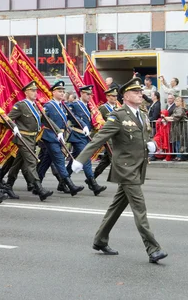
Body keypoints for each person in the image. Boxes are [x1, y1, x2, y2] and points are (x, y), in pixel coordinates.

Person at [71, 77, 167, 264]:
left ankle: (100, 240)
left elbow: (146, 136)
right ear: (126, 96)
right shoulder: (118, 116)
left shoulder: (143, 114)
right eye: (136, 92)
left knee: (116, 207)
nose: (141, 94)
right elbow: (99, 138)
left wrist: (152, 144)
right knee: (140, 209)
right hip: (126, 169)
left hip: (138, 167)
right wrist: (81, 160)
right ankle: (153, 249)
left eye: (141, 91)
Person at [5, 81, 54, 201]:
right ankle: (39, 189)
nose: (35, 93)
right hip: (23, 138)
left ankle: (8, 186)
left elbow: (45, 120)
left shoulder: (36, 106)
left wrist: (58, 131)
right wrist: (14, 127)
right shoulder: (20, 105)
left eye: (35, 91)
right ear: (26, 92)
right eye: (32, 91)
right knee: (32, 162)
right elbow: (8, 119)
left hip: (32, 139)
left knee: (18, 164)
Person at [36, 80, 84, 196]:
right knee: (60, 160)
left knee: (46, 162)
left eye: (63, 91)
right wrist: (57, 131)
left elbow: (63, 121)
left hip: (59, 137)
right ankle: (70, 185)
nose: (62, 93)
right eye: (59, 91)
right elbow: (44, 119)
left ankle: (36, 184)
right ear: (53, 92)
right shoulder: (49, 105)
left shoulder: (62, 106)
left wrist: (66, 128)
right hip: (50, 136)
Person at [66, 85, 106, 196]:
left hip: (85, 137)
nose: (89, 96)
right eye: (87, 94)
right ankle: (93, 185)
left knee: (75, 160)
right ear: (82, 94)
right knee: (86, 159)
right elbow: (71, 115)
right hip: (77, 135)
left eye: (90, 94)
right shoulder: (75, 104)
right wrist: (83, 125)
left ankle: (63, 180)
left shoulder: (88, 106)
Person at [93, 87, 119, 180]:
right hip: (108, 137)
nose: (115, 98)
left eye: (116, 96)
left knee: (105, 161)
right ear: (107, 97)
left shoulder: (118, 108)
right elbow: (99, 122)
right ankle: (122, 182)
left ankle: (91, 178)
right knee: (114, 157)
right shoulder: (103, 108)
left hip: (117, 137)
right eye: (113, 96)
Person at [167, 96, 187, 161]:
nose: (176, 102)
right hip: (176, 128)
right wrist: (168, 118)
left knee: (179, 143)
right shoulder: (176, 108)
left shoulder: (181, 109)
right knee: (176, 142)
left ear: (181, 102)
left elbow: (177, 116)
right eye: (176, 101)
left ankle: (180, 156)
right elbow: (172, 116)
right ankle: (177, 155)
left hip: (180, 128)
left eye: (178, 101)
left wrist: (168, 118)